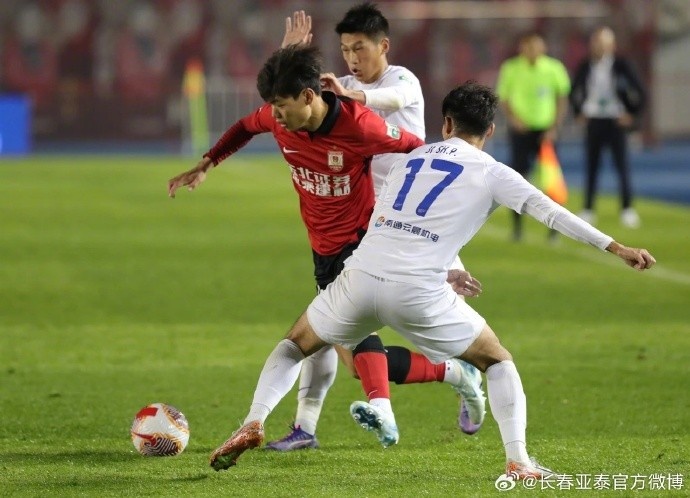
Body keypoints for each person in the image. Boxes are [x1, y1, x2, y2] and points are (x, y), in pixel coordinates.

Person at [206, 82, 655, 477]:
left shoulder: (410, 160)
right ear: (490, 131)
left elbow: (391, 218)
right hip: (418, 290)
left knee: (294, 345)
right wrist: (616, 247)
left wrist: (445, 265)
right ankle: (518, 460)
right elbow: (552, 214)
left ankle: (254, 419)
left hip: (359, 276)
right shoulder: (492, 171)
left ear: (446, 124)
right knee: (497, 361)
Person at [168, 44, 484, 449]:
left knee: (335, 340)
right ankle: (449, 375)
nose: (275, 115)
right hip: (323, 248)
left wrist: (433, 218)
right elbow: (245, 126)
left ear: (307, 96)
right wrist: (208, 162)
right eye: (272, 106)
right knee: (331, 349)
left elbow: (414, 149)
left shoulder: (360, 126)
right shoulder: (280, 120)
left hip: (360, 242)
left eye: (281, 106)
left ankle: (380, 411)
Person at [265, 4, 485, 452]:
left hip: (407, 223)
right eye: (345, 49)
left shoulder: (401, 81)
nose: (352, 58)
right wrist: (289, 59)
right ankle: (307, 426)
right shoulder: (337, 93)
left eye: (360, 48)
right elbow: (294, 98)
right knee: (328, 328)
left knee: (360, 334)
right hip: (365, 222)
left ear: (383, 46)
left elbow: (394, 101)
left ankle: (457, 372)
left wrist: (352, 96)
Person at [495, 33, 570, 242]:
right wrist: (514, 120)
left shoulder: (554, 68)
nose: (532, 51)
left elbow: (562, 98)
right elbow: (504, 98)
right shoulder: (511, 68)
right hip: (521, 132)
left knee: (551, 180)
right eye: (528, 47)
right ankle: (517, 228)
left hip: (546, 131)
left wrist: (555, 127)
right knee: (517, 179)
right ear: (522, 48)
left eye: (536, 47)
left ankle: (554, 229)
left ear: (543, 48)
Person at [569, 26, 646, 229]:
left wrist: (632, 115)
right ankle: (588, 209)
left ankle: (627, 209)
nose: (600, 47)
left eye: (604, 43)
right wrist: (578, 112)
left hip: (615, 120)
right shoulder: (586, 65)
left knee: (622, 166)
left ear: (612, 45)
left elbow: (640, 91)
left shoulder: (622, 65)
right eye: (596, 42)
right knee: (592, 166)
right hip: (594, 120)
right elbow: (573, 90)